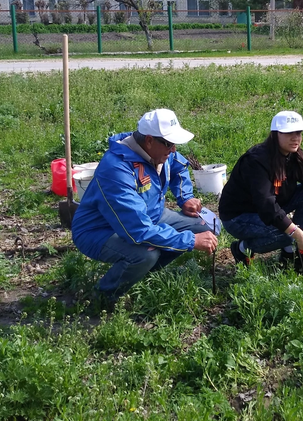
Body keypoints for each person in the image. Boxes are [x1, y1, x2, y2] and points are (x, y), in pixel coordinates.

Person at [72, 109, 218, 301]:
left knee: (208, 223)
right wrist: (190, 241)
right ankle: (105, 296)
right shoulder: (117, 169)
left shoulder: (161, 151)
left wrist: (185, 197)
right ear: (149, 140)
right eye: (169, 143)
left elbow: (179, 167)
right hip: (101, 231)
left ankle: (143, 272)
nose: (173, 149)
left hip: (151, 215)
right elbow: (137, 230)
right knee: (146, 254)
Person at [219, 111, 303, 280]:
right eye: (289, 133)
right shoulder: (257, 161)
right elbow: (266, 205)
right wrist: (297, 233)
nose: (295, 138)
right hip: (239, 216)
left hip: (273, 206)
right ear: (275, 134)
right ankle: (243, 249)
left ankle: (293, 253)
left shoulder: (294, 156)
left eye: (299, 133)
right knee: (286, 234)